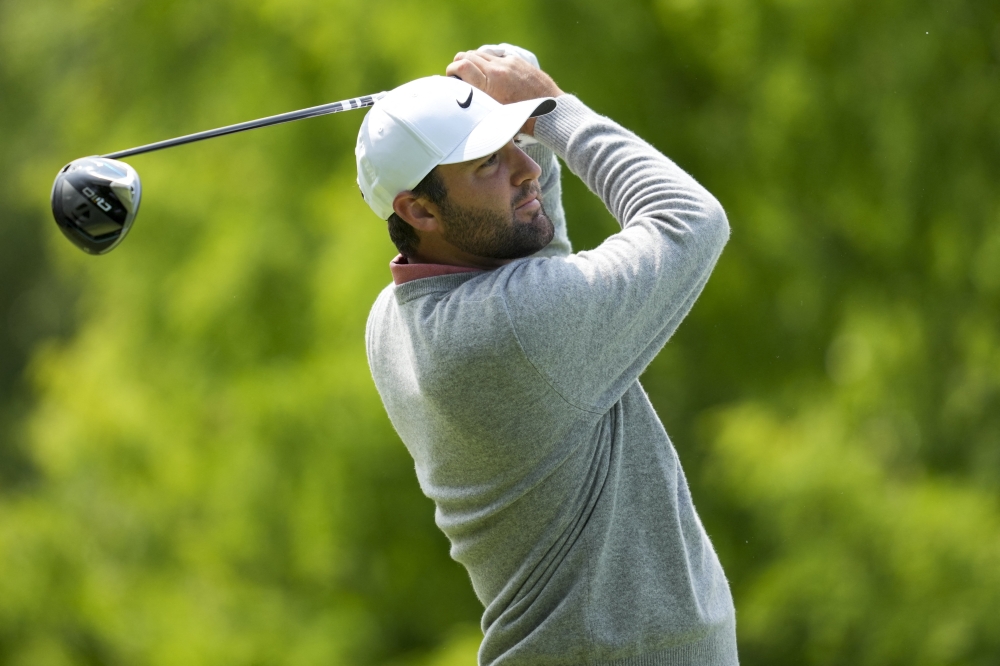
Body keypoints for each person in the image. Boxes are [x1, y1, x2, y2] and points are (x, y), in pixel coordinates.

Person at [358, 44, 737, 666]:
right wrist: (552, 111)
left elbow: (535, 251)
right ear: (419, 210)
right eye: (488, 163)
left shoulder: (394, 318)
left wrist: (510, 107)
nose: (526, 168)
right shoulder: (510, 329)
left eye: (515, 145)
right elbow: (690, 220)